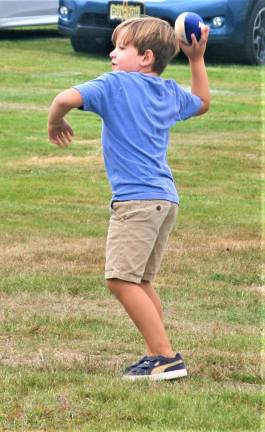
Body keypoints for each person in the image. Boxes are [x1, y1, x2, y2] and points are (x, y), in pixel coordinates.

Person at [48, 16, 210, 381]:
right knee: (140, 281)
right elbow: (201, 102)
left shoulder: (115, 84)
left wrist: (55, 122)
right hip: (165, 200)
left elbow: (64, 98)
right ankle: (157, 354)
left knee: (120, 280)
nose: (112, 53)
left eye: (121, 47)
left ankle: (167, 358)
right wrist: (196, 59)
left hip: (135, 202)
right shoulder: (168, 91)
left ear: (146, 57)